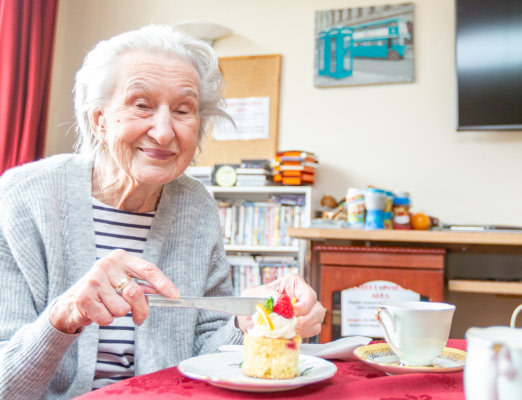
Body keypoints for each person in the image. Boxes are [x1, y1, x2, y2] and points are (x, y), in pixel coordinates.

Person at [0, 25, 325, 400]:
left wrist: (247, 321)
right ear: (100, 120)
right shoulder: (22, 197)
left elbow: (207, 352)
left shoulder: (196, 205)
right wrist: (64, 316)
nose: (165, 132)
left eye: (183, 110)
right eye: (142, 104)